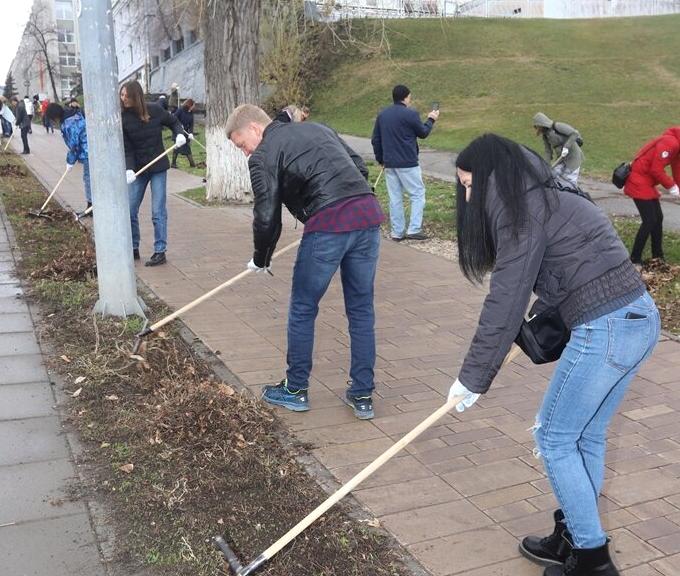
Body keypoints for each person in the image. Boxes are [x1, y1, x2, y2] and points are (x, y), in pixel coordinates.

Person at [448, 134, 659, 576]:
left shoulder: (519, 212)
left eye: (469, 184)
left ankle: (592, 561)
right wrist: (531, 331)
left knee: (554, 438)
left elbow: (505, 299)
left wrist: (472, 379)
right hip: (637, 319)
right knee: (586, 435)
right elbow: (572, 269)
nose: (467, 195)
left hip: (605, 328)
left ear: (489, 178)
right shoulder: (547, 195)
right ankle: (573, 536)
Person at [226, 104, 385, 420]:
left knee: (302, 307)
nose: (245, 153)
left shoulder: (263, 154)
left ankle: (295, 389)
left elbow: (266, 215)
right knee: (361, 308)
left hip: (329, 225)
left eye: (242, 144)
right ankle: (363, 394)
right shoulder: (320, 128)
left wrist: (261, 258)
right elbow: (357, 166)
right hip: (367, 215)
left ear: (255, 128)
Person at [120, 80, 184, 267]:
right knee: (130, 210)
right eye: (122, 95)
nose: (123, 99)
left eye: (127, 95)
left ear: (136, 96)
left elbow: (173, 121)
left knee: (157, 211)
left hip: (157, 167)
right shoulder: (123, 119)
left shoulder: (154, 110)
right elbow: (127, 149)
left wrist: (179, 134)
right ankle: (133, 247)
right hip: (138, 170)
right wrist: (129, 169)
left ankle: (160, 250)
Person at [371, 84, 439, 241]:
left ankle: (397, 232)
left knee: (395, 197)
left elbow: (376, 139)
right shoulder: (411, 114)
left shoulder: (383, 115)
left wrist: (380, 159)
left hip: (389, 163)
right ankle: (414, 229)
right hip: (408, 162)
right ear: (406, 97)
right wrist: (431, 119)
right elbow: (423, 133)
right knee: (417, 194)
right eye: (410, 97)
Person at [623, 127, 680, 266]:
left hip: (647, 183)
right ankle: (635, 259)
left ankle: (657, 256)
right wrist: (671, 187)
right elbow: (656, 169)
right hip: (638, 181)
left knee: (658, 218)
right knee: (649, 220)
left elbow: (677, 170)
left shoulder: (677, 147)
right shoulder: (670, 143)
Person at [46, 102, 92, 216]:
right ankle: (91, 206)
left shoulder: (69, 123)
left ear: (55, 116)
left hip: (88, 152)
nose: (53, 122)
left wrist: (70, 161)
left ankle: (91, 208)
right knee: (89, 178)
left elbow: (74, 144)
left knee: (88, 179)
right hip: (89, 150)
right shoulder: (70, 115)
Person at [533, 112, 584, 185]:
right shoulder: (545, 136)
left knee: (569, 181)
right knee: (554, 175)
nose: (537, 128)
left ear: (542, 123)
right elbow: (548, 151)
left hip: (573, 157)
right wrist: (546, 166)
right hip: (561, 158)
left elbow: (574, 133)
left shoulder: (558, 126)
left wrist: (566, 147)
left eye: (538, 126)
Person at [172, 98, 196, 168]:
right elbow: (174, 117)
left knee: (187, 148)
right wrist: (179, 124)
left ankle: (192, 164)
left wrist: (191, 133)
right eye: (193, 105)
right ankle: (173, 163)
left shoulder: (191, 113)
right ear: (189, 105)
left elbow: (191, 124)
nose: (194, 107)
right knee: (177, 148)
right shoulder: (180, 110)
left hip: (185, 133)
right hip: (178, 132)